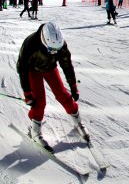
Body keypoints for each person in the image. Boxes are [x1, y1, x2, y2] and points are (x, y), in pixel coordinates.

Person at [16, 22, 87, 150]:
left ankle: (78, 122)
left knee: (63, 95)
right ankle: (35, 131)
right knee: (39, 102)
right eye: (50, 49)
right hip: (33, 71)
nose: (53, 52)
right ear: (43, 40)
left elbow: (67, 65)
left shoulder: (61, 45)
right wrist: (27, 92)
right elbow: (22, 69)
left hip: (50, 69)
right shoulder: (30, 44)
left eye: (56, 50)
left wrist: (73, 86)